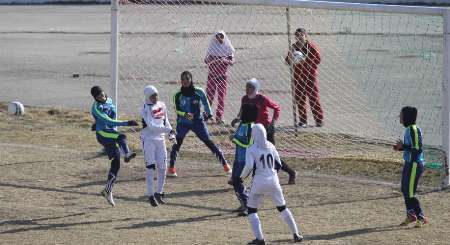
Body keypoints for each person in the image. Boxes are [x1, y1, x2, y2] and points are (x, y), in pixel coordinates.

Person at [241, 124, 303, 244]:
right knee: (283, 208)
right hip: (274, 181)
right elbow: (279, 164)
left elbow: (248, 166)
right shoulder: (271, 146)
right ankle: (296, 234)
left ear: (254, 135)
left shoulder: (251, 149)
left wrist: (241, 178)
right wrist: (271, 173)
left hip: (259, 182)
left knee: (252, 210)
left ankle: (260, 239)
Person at [231, 78, 297, 184]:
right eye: (247, 87)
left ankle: (291, 172)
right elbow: (242, 111)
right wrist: (238, 118)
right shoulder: (244, 99)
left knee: (270, 154)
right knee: (252, 153)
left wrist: (273, 123)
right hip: (252, 130)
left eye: (251, 87)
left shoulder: (262, 99)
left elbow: (276, 108)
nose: (248, 89)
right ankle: (246, 179)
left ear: (256, 88)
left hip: (267, 129)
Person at [168, 71, 232, 177]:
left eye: (187, 79)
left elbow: (206, 102)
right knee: (177, 143)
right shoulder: (177, 94)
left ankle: (225, 165)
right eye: (183, 79)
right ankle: (171, 168)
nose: (185, 81)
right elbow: (176, 109)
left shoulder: (199, 91)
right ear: (180, 81)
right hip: (183, 123)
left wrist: (209, 113)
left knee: (209, 142)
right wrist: (185, 114)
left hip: (198, 122)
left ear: (191, 80)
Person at [90, 85, 138, 207]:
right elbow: (109, 121)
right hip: (103, 134)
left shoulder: (109, 100)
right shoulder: (96, 108)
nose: (102, 96)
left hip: (109, 132)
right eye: (98, 96)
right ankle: (127, 153)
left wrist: (96, 122)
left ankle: (108, 190)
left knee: (116, 163)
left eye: (102, 94)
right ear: (95, 98)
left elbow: (111, 115)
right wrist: (127, 123)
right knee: (121, 137)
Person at [140, 85, 176, 207]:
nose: (155, 97)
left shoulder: (162, 105)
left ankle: (159, 193)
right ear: (147, 97)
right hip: (148, 140)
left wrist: (171, 134)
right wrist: (168, 130)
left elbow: (166, 120)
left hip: (160, 140)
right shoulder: (145, 108)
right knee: (150, 167)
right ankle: (150, 194)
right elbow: (151, 126)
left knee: (162, 166)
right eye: (152, 96)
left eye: (156, 95)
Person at [393, 106, 428, 227]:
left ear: (406, 117)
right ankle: (411, 215)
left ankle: (421, 216)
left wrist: (404, 147)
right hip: (409, 163)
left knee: (410, 192)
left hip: (415, 164)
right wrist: (401, 148)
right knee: (404, 189)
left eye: (401, 114)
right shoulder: (408, 129)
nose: (399, 117)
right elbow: (411, 148)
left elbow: (418, 149)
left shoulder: (413, 129)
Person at [285, 27, 323, 127]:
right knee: (300, 99)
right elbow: (287, 61)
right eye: (297, 35)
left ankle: (319, 120)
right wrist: (292, 58)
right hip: (298, 77)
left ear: (305, 36)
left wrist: (304, 59)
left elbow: (318, 59)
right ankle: (303, 120)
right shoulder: (293, 47)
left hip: (310, 77)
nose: (299, 37)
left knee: (313, 98)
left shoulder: (311, 46)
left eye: (301, 35)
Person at [230, 103, 258, 216]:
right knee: (235, 180)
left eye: (241, 111)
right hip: (238, 158)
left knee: (236, 180)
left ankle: (246, 204)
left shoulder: (251, 126)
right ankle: (244, 202)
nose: (239, 113)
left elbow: (248, 143)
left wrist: (234, 139)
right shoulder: (242, 124)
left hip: (245, 159)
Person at [205, 30, 235, 124]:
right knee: (209, 97)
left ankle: (219, 117)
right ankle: (206, 115)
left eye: (221, 37)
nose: (219, 39)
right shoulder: (212, 47)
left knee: (221, 97)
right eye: (217, 37)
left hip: (222, 77)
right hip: (212, 76)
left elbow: (232, 61)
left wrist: (225, 61)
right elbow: (206, 60)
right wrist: (213, 59)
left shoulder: (228, 48)